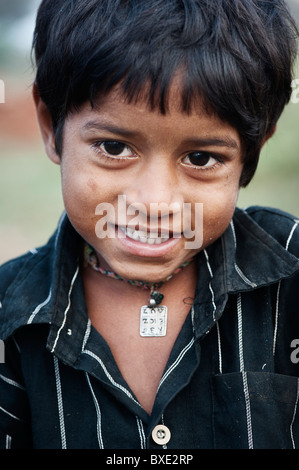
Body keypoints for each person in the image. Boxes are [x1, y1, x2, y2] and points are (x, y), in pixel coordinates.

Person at [0, 0, 298, 450]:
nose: (155, 203)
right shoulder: (11, 320)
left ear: (251, 153)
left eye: (201, 158)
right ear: (50, 125)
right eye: (115, 148)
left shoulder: (292, 277)